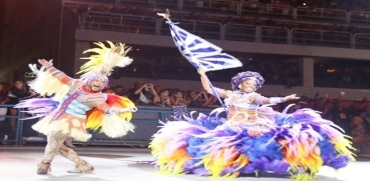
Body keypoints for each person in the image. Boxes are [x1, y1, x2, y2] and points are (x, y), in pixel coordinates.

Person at [150, 67, 354, 180]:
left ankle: (297, 165)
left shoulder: (254, 96)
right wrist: (203, 74)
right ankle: (230, 165)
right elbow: (210, 89)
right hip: (233, 123)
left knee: (272, 141)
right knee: (219, 142)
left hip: (254, 122)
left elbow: (267, 102)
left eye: (254, 84)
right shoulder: (229, 94)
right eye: (248, 83)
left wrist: (284, 99)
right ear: (239, 83)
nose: (251, 86)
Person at [16, 41, 137, 175]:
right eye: (97, 80)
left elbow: (106, 108)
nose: (99, 83)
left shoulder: (98, 97)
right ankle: (82, 165)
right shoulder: (77, 84)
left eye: (102, 82)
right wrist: (50, 67)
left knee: (54, 140)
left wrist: (121, 110)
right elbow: (62, 77)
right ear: (90, 80)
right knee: (56, 144)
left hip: (71, 120)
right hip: (58, 115)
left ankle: (44, 164)